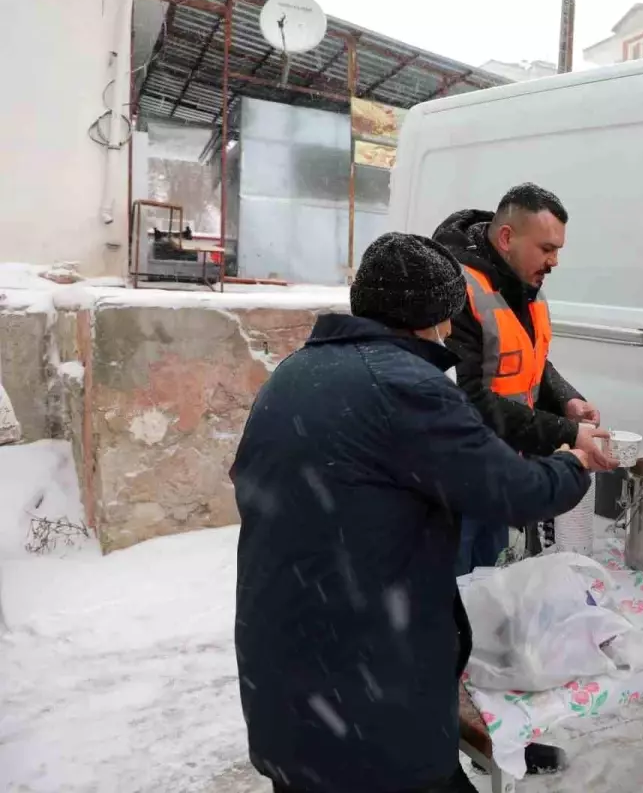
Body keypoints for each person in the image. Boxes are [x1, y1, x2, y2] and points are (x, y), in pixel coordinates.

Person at [231, 233, 592, 793]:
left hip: (288, 666)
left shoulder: (296, 371)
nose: (449, 332)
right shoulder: (405, 387)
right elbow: (512, 489)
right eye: (446, 319)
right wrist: (574, 462)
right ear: (429, 319)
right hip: (364, 687)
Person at [433, 183, 617, 578]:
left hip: (500, 469)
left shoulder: (525, 283)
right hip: (460, 476)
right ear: (505, 238)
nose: (554, 262)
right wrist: (565, 432)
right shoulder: (457, 290)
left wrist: (565, 399)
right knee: (458, 591)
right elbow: (467, 397)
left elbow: (532, 362)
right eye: (547, 249)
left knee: (490, 584)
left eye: (558, 251)